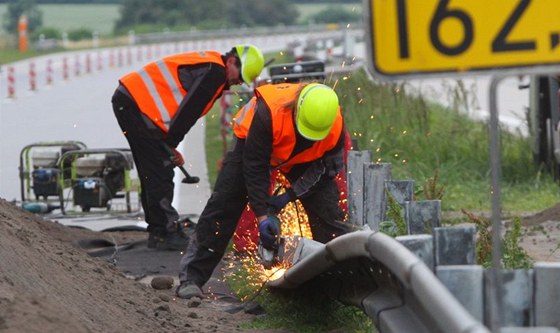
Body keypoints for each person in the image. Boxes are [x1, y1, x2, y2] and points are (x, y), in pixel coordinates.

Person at [176, 82, 352, 299]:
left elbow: (325, 171)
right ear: (296, 109)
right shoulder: (268, 113)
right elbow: (255, 167)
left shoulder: (334, 125)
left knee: (328, 216)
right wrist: (262, 216)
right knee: (224, 206)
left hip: (304, 160)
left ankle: (337, 287)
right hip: (251, 144)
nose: (308, 137)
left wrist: (290, 195)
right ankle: (191, 278)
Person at [111, 45, 265, 250]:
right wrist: (170, 145)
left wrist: (168, 145)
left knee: (152, 170)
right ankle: (165, 232)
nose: (238, 82)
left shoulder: (212, 65)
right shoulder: (215, 73)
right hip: (138, 105)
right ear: (231, 61)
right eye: (239, 75)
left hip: (131, 101)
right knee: (159, 170)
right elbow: (188, 111)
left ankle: (159, 231)